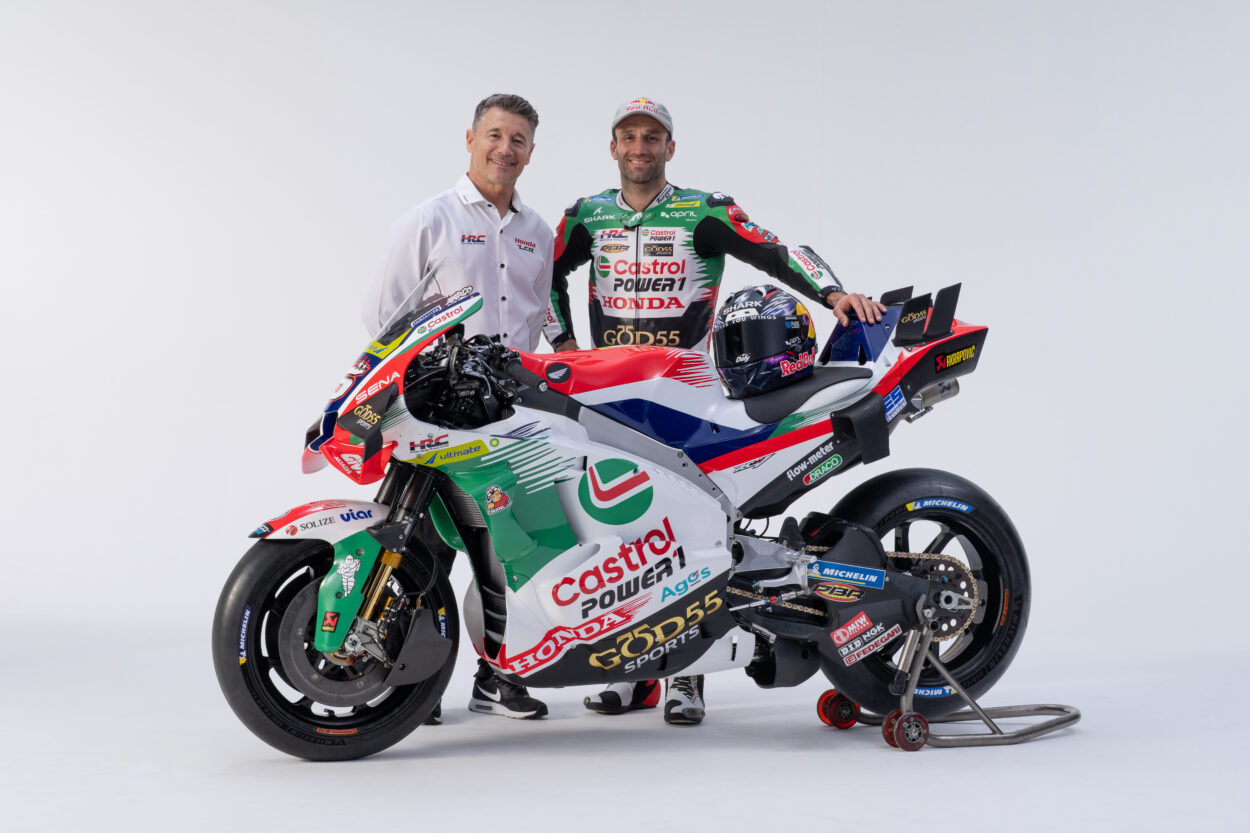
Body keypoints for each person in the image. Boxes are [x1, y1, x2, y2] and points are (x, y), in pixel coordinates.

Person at [545, 97, 885, 725]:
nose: (640, 147)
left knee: (693, 524)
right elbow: (544, 274)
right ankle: (634, 670)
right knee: (618, 524)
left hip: (687, 387)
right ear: (613, 147)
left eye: (652, 137)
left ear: (670, 148)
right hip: (609, 390)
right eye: (629, 137)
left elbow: (775, 251)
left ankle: (688, 676)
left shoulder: (702, 209)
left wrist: (833, 293)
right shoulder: (586, 215)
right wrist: (563, 344)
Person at [363, 93, 554, 722]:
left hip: (511, 414)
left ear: (531, 152)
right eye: (495, 135)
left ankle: (497, 679)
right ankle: (413, 688)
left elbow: (537, 314)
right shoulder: (428, 221)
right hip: (434, 411)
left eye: (518, 139)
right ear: (470, 139)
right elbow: (383, 316)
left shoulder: (538, 232)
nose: (505, 148)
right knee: (422, 545)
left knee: (510, 547)